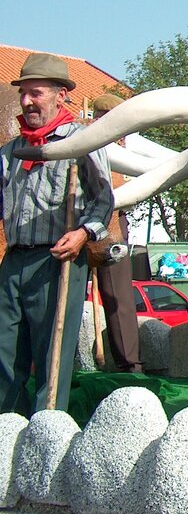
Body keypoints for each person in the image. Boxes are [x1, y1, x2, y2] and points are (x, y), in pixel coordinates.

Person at [0, 53, 114, 414]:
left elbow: (104, 200)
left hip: (59, 260)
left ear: (60, 95)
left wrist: (83, 234)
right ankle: (6, 433)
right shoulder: (11, 150)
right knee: (4, 354)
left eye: (36, 93)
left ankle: (46, 434)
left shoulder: (84, 142)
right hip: (14, 259)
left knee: (52, 357)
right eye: (23, 94)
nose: (27, 101)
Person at [90, 93, 143, 373]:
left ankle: (130, 363)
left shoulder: (124, 152)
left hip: (114, 222)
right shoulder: (85, 142)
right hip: (75, 222)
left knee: (118, 295)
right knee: (68, 290)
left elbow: (131, 196)